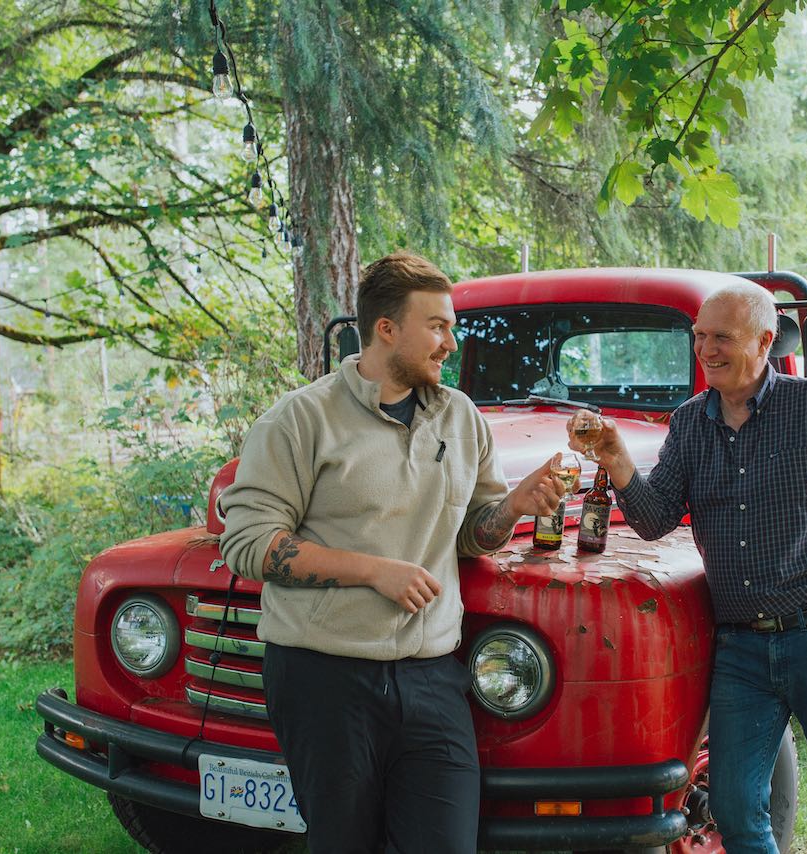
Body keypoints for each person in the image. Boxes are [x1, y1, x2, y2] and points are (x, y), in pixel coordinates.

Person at [220, 251, 565, 854]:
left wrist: (512, 508)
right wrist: (373, 572)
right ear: (386, 328)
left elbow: (470, 534)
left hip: (433, 674)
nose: (450, 343)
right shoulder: (300, 420)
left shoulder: (461, 419)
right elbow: (249, 545)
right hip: (323, 675)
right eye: (437, 326)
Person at [569, 281, 807, 854]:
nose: (707, 350)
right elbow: (653, 519)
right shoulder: (691, 422)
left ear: (765, 340)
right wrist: (616, 456)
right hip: (742, 650)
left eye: (722, 337)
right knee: (735, 803)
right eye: (699, 337)